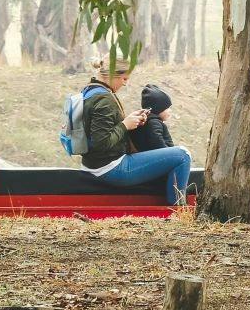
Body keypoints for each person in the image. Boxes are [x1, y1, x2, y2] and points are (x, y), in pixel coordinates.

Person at [78, 60, 191, 204]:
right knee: (183, 155)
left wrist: (131, 121)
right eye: (124, 78)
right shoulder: (104, 99)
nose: (125, 83)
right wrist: (125, 125)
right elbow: (101, 142)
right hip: (110, 168)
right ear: (113, 74)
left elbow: (100, 129)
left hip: (93, 164)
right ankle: (178, 210)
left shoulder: (91, 90)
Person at [130, 83, 176, 152]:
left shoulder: (149, 120)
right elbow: (158, 144)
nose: (170, 111)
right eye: (167, 108)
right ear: (158, 109)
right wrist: (171, 154)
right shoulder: (154, 122)